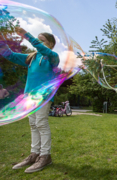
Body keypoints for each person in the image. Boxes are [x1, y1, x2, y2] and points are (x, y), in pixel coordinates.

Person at [0, 27, 59, 173]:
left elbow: (45, 51)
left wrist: (27, 35)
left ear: (51, 44)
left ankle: (45, 156)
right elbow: (10, 55)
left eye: (42, 40)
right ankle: (34, 155)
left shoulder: (52, 57)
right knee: (33, 124)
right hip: (30, 97)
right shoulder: (32, 57)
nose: (38, 43)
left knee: (41, 123)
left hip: (43, 96)